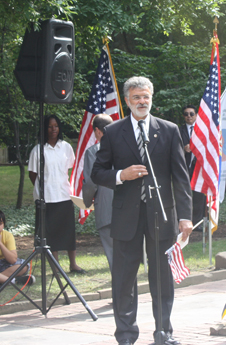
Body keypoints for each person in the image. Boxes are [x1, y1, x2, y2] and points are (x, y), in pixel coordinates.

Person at [91, 76, 193, 345]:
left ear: (151, 98)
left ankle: (163, 333)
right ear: (127, 101)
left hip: (161, 213)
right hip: (126, 215)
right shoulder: (113, 132)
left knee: (162, 277)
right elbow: (97, 172)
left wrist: (185, 217)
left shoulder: (169, 130)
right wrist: (121, 175)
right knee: (124, 279)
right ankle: (126, 336)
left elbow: (181, 178)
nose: (142, 102)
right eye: (136, 97)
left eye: (146, 97)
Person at [28, 115, 85, 274]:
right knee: (50, 234)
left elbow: (70, 169)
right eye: (49, 126)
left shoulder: (66, 147)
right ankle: (56, 267)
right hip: (46, 198)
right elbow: (33, 174)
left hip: (64, 195)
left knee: (68, 232)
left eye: (56, 126)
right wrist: (45, 187)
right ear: (44, 129)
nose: (53, 130)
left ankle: (73, 264)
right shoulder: (38, 150)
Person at [82, 114, 114, 271]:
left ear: (97, 131)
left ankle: (121, 286)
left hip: (106, 207)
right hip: (128, 207)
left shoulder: (93, 152)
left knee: (112, 250)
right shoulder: (125, 148)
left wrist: (86, 202)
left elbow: (91, 182)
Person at [179, 105, 206, 230]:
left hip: (200, 166)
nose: (188, 116)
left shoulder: (203, 129)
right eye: (186, 114)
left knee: (199, 195)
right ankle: (183, 221)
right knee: (185, 194)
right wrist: (183, 149)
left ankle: (197, 222)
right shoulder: (179, 130)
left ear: (196, 115)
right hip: (185, 166)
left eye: (191, 114)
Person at [0, 210, 35, 285]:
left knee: (24, 266)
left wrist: (0, 244)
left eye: (0, 224)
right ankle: (12, 281)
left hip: (4, 264)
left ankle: (2, 279)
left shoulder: (7, 235)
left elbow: (12, 260)